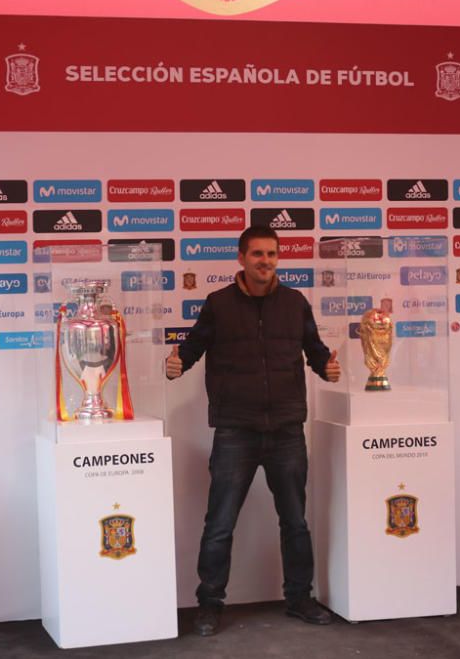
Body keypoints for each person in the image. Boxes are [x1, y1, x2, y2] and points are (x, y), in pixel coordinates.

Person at [165, 226, 341, 636]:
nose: (266, 261)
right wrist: (176, 365)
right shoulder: (218, 304)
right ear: (241, 258)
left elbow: (315, 352)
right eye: (258, 254)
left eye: (272, 254)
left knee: (295, 520)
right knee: (220, 523)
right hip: (235, 431)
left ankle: (299, 597)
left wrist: (326, 368)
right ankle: (208, 604)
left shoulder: (295, 303)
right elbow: (191, 349)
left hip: (286, 430)